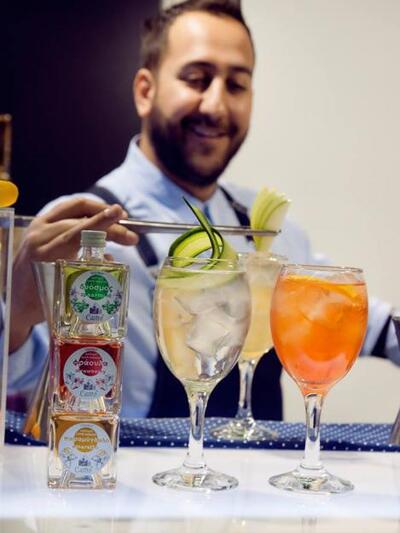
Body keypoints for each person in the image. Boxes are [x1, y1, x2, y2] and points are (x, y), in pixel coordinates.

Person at [8, 0, 400, 419]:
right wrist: (15, 316)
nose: (216, 106)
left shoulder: (268, 229)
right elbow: (19, 378)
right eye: (197, 79)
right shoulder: (75, 230)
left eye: (236, 85)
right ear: (145, 91)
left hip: (263, 461)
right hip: (125, 460)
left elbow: (354, 318)